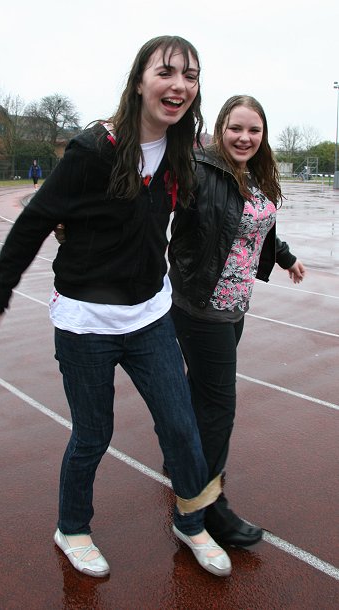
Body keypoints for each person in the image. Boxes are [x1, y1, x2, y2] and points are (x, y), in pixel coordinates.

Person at [0, 36, 233, 578]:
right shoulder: (94, 149)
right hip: (86, 323)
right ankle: (72, 528)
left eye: (191, 76)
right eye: (167, 72)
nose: (179, 85)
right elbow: (35, 220)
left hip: (149, 316)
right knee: (93, 435)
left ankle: (192, 523)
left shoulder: (183, 151)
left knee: (181, 425)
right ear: (140, 80)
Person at [169, 94, 306, 548]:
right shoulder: (197, 171)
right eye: (235, 128)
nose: (244, 137)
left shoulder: (253, 175)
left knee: (201, 394)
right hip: (200, 305)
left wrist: (284, 256)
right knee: (219, 406)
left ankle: (180, 459)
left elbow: (255, 223)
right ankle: (205, 505)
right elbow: (151, 208)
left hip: (234, 305)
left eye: (254, 130)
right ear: (220, 129)